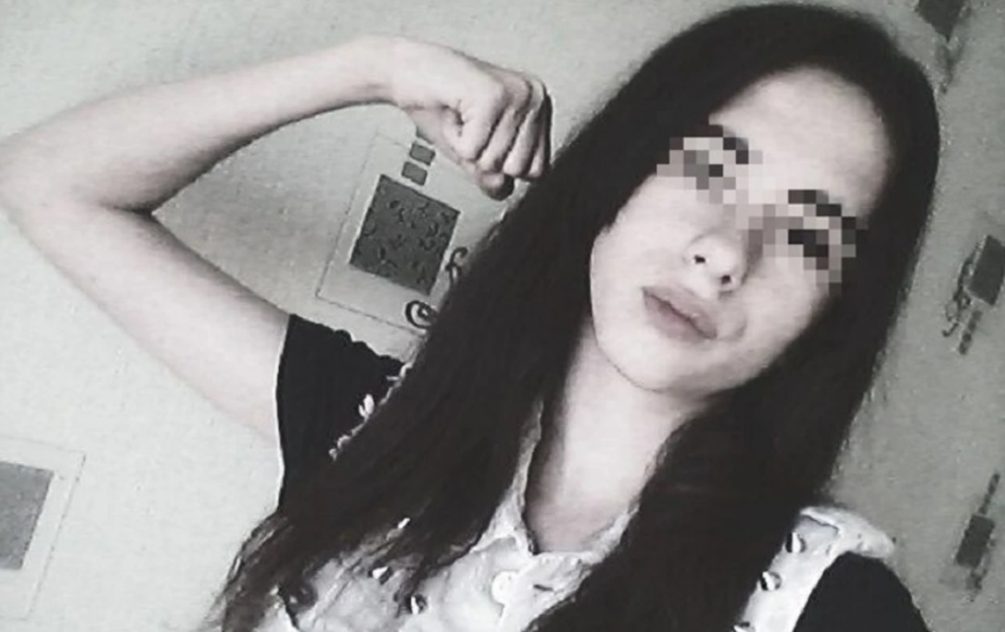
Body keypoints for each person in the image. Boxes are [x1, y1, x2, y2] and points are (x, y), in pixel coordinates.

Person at [0, 3, 939, 632]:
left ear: (834, 313)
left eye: (809, 237)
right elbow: (49, 183)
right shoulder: (380, 433)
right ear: (615, 170)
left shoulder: (823, 606)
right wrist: (369, 66)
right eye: (707, 168)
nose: (726, 252)